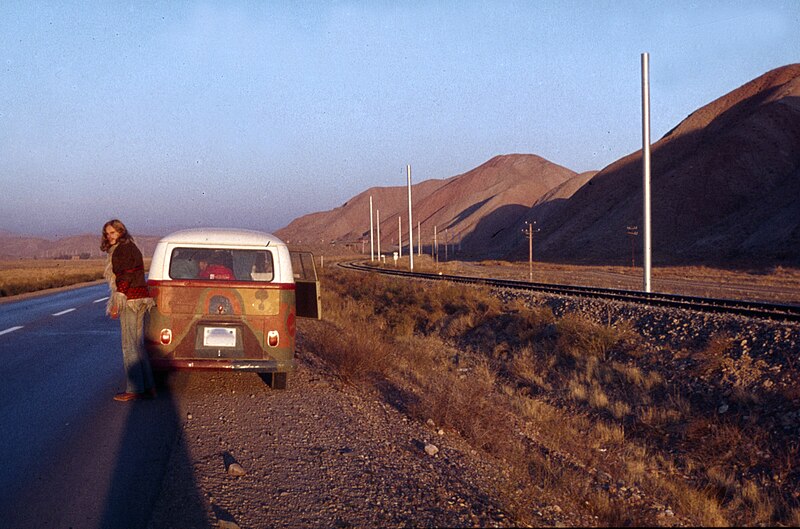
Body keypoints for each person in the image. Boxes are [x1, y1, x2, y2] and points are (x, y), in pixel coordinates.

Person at [101, 219, 157, 402]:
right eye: (107, 233)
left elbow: (125, 276)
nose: (110, 236)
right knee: (137, 344)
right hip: (141, 298)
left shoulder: (121, 250)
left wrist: (117, 302)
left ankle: (134, 389)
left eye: (113, 233)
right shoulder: (132, 247)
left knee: (129, 345)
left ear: (121, 232)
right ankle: (149, 386)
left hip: (130, 299)